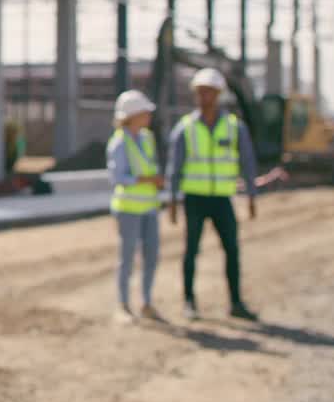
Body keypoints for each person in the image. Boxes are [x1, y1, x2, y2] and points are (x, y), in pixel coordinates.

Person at [166, 68, 260, 322]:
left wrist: (252, 196)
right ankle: (189, 301)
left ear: (218, 94)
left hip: (222, 199)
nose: (204, 97)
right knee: (191, 251)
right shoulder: (185, 128)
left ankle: (236, 302)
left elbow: (247, 162)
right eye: (200, 92)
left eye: (208, 92)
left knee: (232, 250)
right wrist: (173, 201)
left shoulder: (234, 127)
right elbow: (174, 168)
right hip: (195, 198)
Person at [106, 90, 164, 324]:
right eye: (144, 112)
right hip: (128, 209)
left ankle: (147, 303)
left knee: (151, 257)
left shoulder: (147, 138)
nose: (148, 116)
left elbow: (150, 166)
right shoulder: (119, 142)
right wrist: (147, 180)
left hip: (149, 207)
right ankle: (123, 305)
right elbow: (117, 177)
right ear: (132, 115)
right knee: (127, 258)